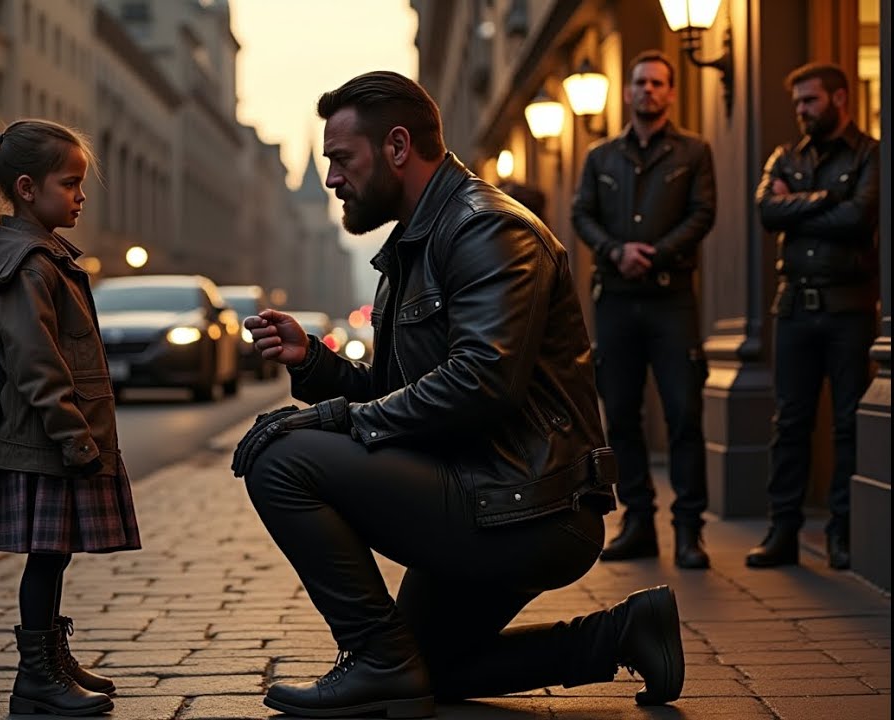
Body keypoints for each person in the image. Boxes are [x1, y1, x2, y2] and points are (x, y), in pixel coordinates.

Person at [233, 70, 684, 718]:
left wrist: (338, 418)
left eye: (343, 159)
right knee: (429, 667)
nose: (332, 179)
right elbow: (404, 396)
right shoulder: (416, 242)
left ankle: (374, 658)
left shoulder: (487, 229)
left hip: (530, 504)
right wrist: (318, 365)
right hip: (483, 486)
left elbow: (481, 382)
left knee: (280, 459)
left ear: (397, 146)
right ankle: (623, 634)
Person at [0, 119, 140, 716]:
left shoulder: (45, 258)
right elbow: (35, 361)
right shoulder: (30, 265)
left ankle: (51, 659)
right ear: (28, 189)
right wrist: (73, 436)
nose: (80, 196)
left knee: (54, 554)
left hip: (50, 435)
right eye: (70, 184)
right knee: (46, 554)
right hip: (45, 438)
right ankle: (35, 677)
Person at [570, 50, 716, 570]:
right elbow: (581, 213)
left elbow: (703, 213)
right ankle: (637, 523)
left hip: (672, 299)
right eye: (640, 82)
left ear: (670, 92)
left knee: (684, 413)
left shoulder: (694, 152)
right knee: (621, 416)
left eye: (657, 83)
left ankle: (689, 531)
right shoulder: (600, 156)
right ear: (628, 90)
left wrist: (655, 253)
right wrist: (616, 252)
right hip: (616, 301)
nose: (647, 90)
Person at [748, 62, 880, 571]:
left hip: (849, 307)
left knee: (847, 423)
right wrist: (827, 199)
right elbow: (766, 210)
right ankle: (782, 531)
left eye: (810, 100)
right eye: (798, 102)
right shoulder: (785, 156)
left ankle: (841, 532)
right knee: (790, 423)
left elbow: (859, 217)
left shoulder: (870, 154)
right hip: (794, 309)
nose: (801, 110)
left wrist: (798, 207)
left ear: (839, 98)